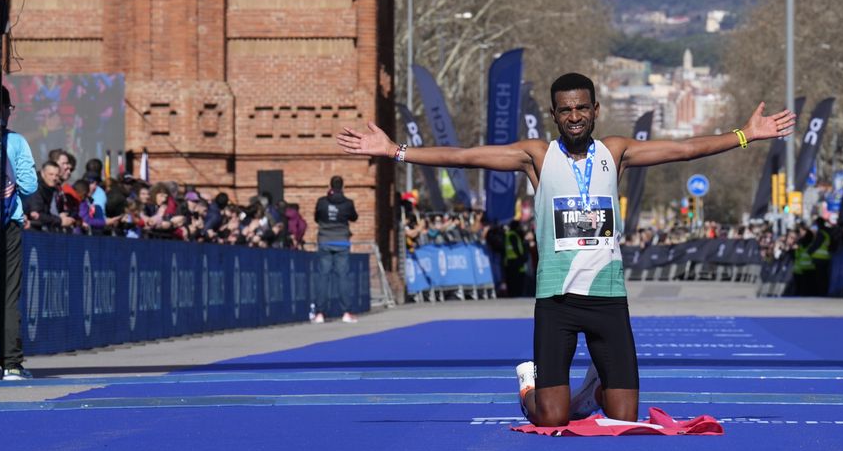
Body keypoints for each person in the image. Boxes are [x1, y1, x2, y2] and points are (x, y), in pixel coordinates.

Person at [337, 72, 795, 426]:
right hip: (556, 301)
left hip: (608, 298)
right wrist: (395, 151)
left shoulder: (615, 152)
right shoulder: (537, 157)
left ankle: (595, 390)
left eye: (581, 108)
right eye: (565, 110)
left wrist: (745, 135)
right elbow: (465, 155)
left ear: (595, 110)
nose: (574, 116)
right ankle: (528, 386)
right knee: (551, 420)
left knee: (624, 419)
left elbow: (685, 149)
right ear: (554, 116)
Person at [0, 86, 37, 379]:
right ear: (4, 109)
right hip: (6, 223)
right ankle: (11, 363)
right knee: (8, 294)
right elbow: (29, 185)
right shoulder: (16, 141)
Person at [313, 176, 358, 324]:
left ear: (330, 186)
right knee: (343, 277)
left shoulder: (322, 202)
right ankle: (346, 312)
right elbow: (354, 217)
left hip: (325, 240)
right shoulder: (348, 203)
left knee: (323, 276)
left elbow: (316, 218)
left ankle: (320, 313)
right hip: (342, 241)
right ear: (342, 186)